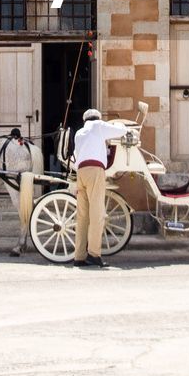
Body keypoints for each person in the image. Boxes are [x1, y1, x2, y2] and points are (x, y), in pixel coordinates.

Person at [72, 107, 125, 269]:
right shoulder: (99, 126)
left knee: (82, 217)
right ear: (97, 118)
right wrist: (123, 126)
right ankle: (94, 254)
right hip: (95, 171)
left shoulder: (79, 133)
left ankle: (79, 256)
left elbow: (76, 154)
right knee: (97, 214)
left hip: (80, 172)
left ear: (85, 120)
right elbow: (120, 131)